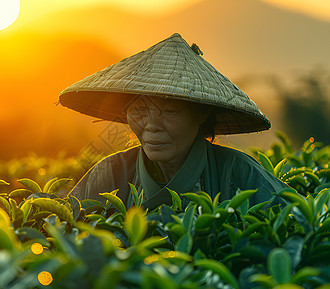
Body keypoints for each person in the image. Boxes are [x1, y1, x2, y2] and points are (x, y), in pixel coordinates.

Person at [58, 33, 287, 211]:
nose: (151, 125)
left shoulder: (240, 174)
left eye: (170, 112)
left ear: (201, 114)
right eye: (139, 111)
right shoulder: (109, 175)